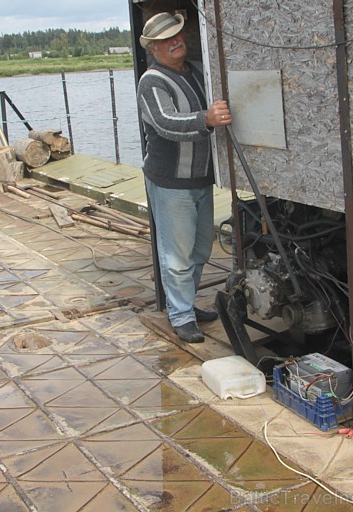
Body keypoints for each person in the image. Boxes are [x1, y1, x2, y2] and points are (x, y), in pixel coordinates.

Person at [137, 12, 232, 343]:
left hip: (201, 179)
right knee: (176, 256)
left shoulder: (194, 70)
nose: (175, 41)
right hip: (170, 183)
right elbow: (166, 123)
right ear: (153, 48)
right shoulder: (152, 81)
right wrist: (206, 118)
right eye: (165, 39)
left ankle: (187, 305)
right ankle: (180, 316)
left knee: (200, 250)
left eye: (176, 35)